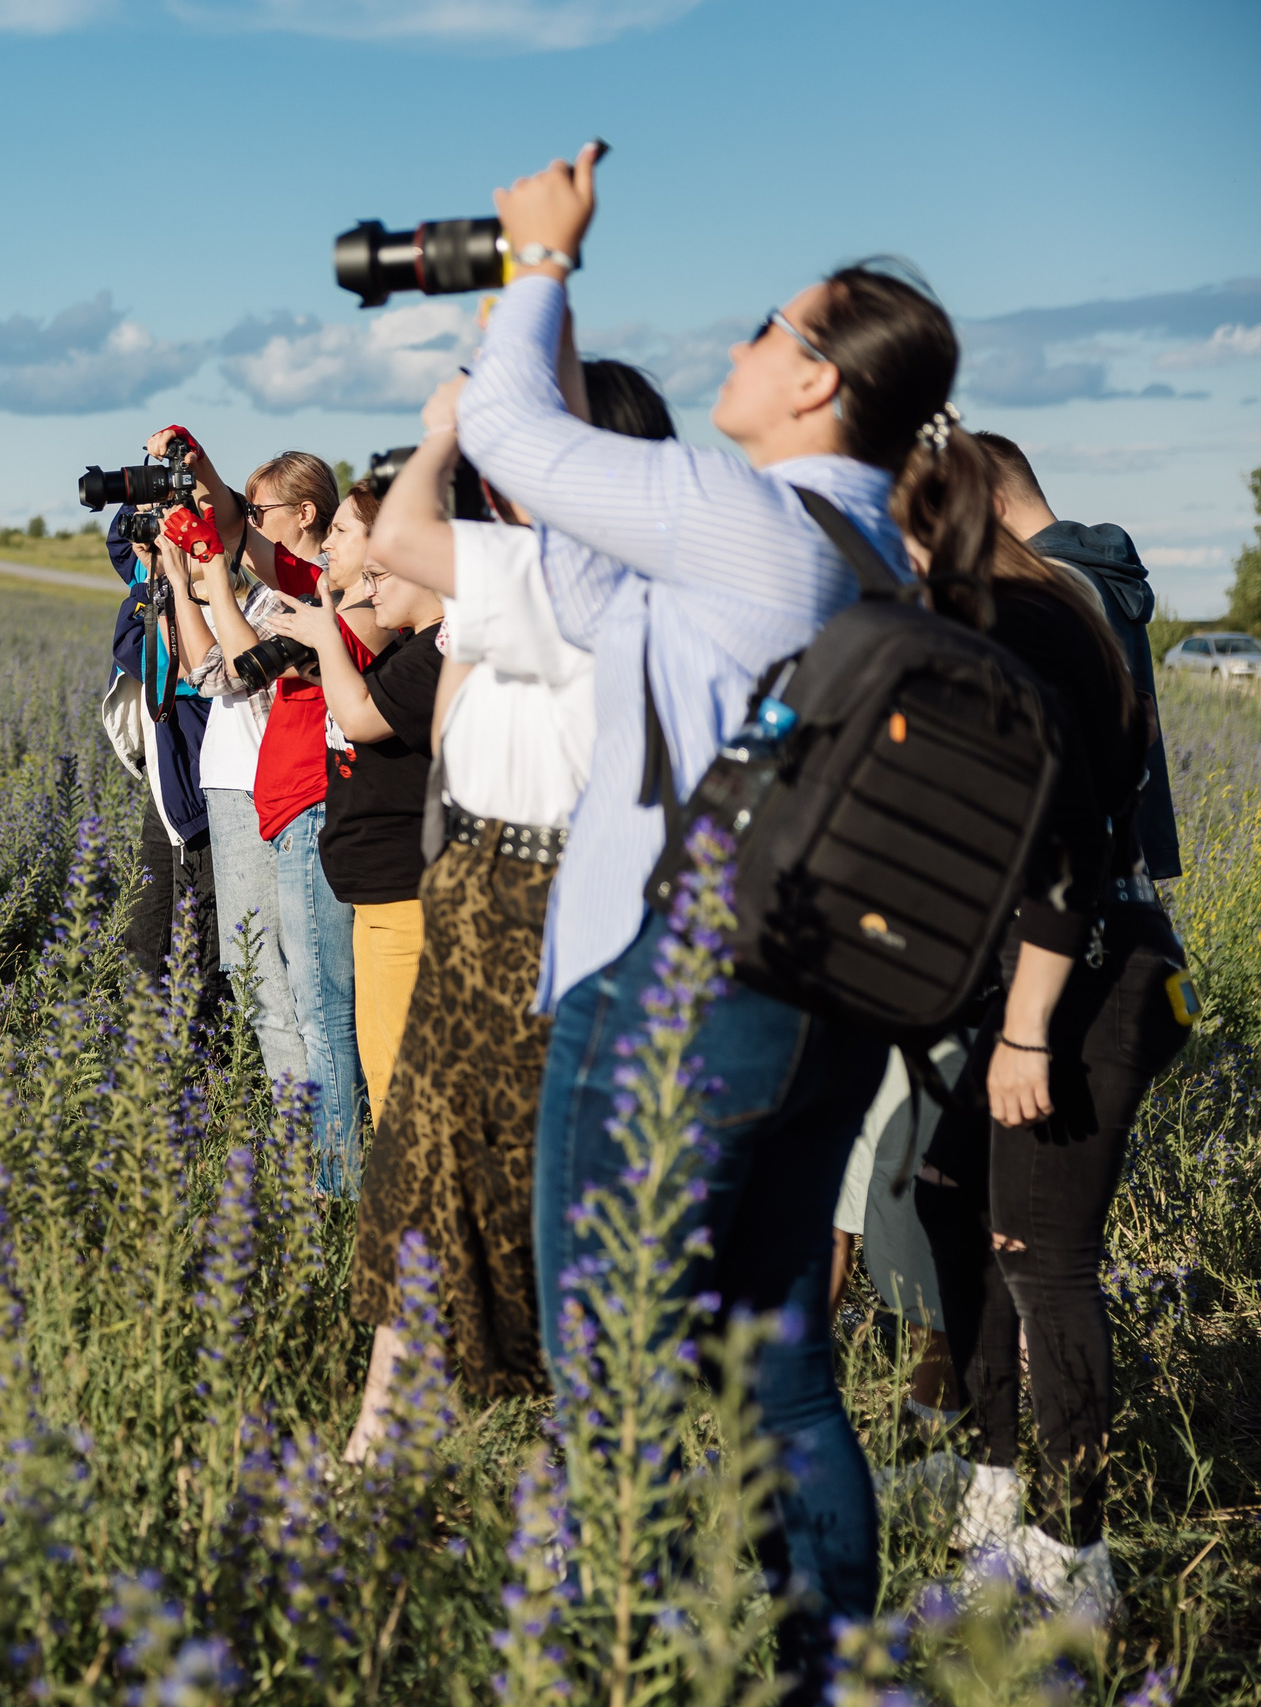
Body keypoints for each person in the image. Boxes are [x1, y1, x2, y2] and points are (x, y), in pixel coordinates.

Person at [456, 142, 960, 1684]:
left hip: (670, 986)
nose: (737, 348)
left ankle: (614, 1656)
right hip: (816, 997)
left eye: (767, 327)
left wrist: (537, 263)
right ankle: (818, 1663)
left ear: (817, 384)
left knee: (607, 1375)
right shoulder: (878, 552)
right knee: (785, 1366)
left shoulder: (747, 514)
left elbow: (504, 418)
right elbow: (615, 613)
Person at [349, 355, 674, 1419]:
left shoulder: (578, 575)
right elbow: (449, 733)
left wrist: (444, 433)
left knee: (494, 1180)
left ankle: (513, 1431)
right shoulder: (537, 572)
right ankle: (392, 1430)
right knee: (423, 1169)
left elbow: (397, 540)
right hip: (482, 879)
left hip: (536, 897)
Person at [901, 482, 1190, 1624]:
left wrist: (1024, 1029)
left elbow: (1064, 851)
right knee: (956, 1219)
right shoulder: (991, 627)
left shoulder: (1018, 633)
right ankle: (990, 1490)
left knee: (1043, 1258)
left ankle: (1078, 1562)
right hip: (1011, 981)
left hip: (1084, 987)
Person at [167, 439, 368, 1195]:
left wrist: (212, 571)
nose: (244, 524)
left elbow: (247, 668)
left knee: (314, 999)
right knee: (284, 986)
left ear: (310, 514)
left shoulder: (333, 598)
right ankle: (318, 1162)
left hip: (302, 798)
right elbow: (205, 661)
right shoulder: (304, 587)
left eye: (261, 510)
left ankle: (328, 1175)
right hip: (281, 798)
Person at [268, 483, 439, 1131]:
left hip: (404, 895)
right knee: (378, 1059)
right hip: (374, 893)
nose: (370, 585)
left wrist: (326, 637)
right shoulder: (406, 650)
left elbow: (361, 717)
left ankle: (394, 1218)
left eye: (381, 571)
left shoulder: (438, 651)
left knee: (397, 1081)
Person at [976, 431, 1180, 880]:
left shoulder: (1054, 584)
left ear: (991, 503)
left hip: (1080, 864)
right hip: (1120, 846)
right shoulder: (1095, 571)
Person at [104, 510, 222, 1011]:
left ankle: (198, 1070)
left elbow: (144, 654)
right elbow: (121, 542)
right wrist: (149, 502)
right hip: (171, 791)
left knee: (200, 947)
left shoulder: (215, 608)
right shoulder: (173, 583)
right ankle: (143, 1064)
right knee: (148, 932)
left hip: (205, 798)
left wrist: (158, 577)